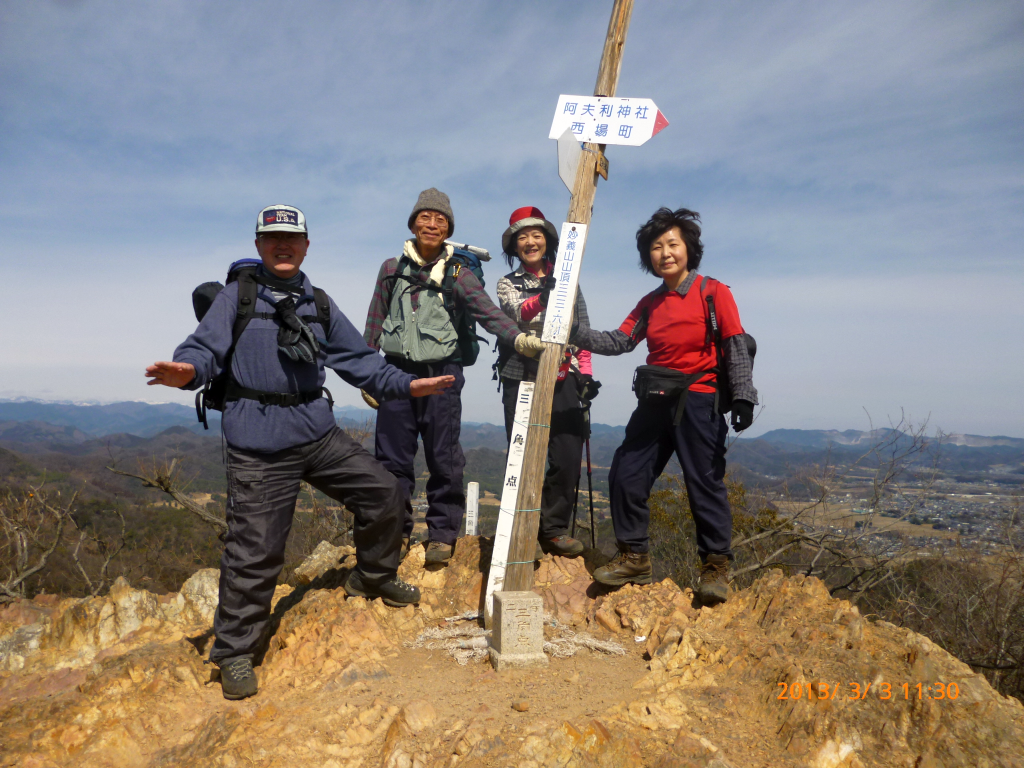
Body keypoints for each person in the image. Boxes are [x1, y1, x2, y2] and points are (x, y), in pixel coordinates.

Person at [146, 205, 454, 700]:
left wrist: (409, 385)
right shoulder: (237, 297)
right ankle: (234, 653)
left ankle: (373, 577)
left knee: (383, 493)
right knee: (256, 550)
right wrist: (188, 371)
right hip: (258, 443)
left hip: (316, 432)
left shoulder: (319, 302)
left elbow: (360, 361)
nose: (283, 246)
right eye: (273, 239)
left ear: (307, 245)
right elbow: (203, 348)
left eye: (292, 238)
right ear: (259, 244)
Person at [571, 207, 757, 605]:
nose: (665, 253)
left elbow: (734, 345)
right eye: (656, 247)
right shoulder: (649, 303)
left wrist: (742, 396)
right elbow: (620, 341)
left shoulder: (713, 292)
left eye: (673, 244)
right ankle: (634, 556)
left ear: (689, 248)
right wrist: (574, 332)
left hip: (700, 399)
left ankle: (716, 566)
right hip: (655, 401)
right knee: (626, 473)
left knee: (703, 483)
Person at [364, 189, 544, 566]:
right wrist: (368, 372)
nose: (432, 224)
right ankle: (393, 533)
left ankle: (442, 535)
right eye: (425, 218)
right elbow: (375, 319)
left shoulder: (459, 274)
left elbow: (488, 314)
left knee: (444, 457)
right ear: (413, 223)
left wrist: (519, 338)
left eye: (440, 220)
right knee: (391, 460)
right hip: (396, 374)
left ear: (448, 229)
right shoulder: (391, 269)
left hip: (442, 374)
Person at [495, 206, 597, 558]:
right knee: (523, 455)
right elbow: (516, 312)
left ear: (548, 240)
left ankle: (552, 530)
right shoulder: (507, 283)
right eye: (522, 237)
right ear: (514, 247)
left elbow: (581, 329)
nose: (530, 241)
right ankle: (521, 529)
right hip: (520, 374)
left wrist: (586, 375)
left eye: (536, 234)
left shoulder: (570, 280)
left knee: (566, 454)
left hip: (564, 374)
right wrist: (545, 294)